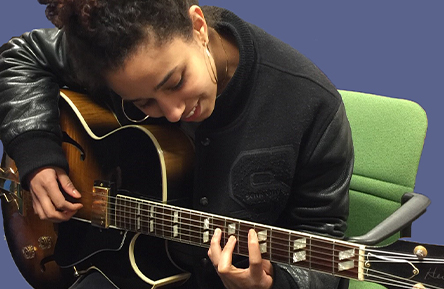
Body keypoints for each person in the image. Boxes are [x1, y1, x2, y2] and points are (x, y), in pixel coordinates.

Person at [0, 0, 354, 288]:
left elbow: (324, 236)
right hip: (116, 267)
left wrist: (278, 283)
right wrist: (37, 153)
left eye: (176, 81)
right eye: (143, 103)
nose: (173, 113)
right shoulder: (104, 54)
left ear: (198, 27)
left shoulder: (310, 101)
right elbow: (20, 57)